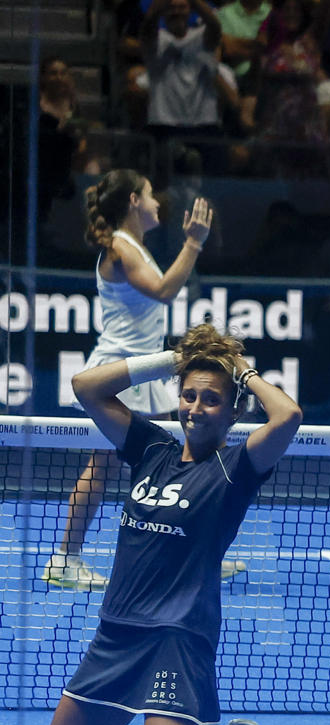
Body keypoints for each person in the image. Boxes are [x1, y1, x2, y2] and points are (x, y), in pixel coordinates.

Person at [37, 323, 302, 725]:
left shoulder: (235, 468)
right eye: (189, 395)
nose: (195, 409)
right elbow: (86, 387)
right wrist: (173, 359)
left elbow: (288, 415)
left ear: (233, 411)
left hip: (178, 640)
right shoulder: (150, 449)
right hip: (116, 634)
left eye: (210, 400)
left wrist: (243, 372)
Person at [45, 171, 234, 592]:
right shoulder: (118, 246)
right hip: (118, 371)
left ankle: (192, 554)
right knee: (103, 465)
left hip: (144, 370)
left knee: (175, 458)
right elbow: (166, 290)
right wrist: (194, 242)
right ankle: (64, 560)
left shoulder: (134, 246)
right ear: (133, 200)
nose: (156, 203)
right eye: (150, 195)